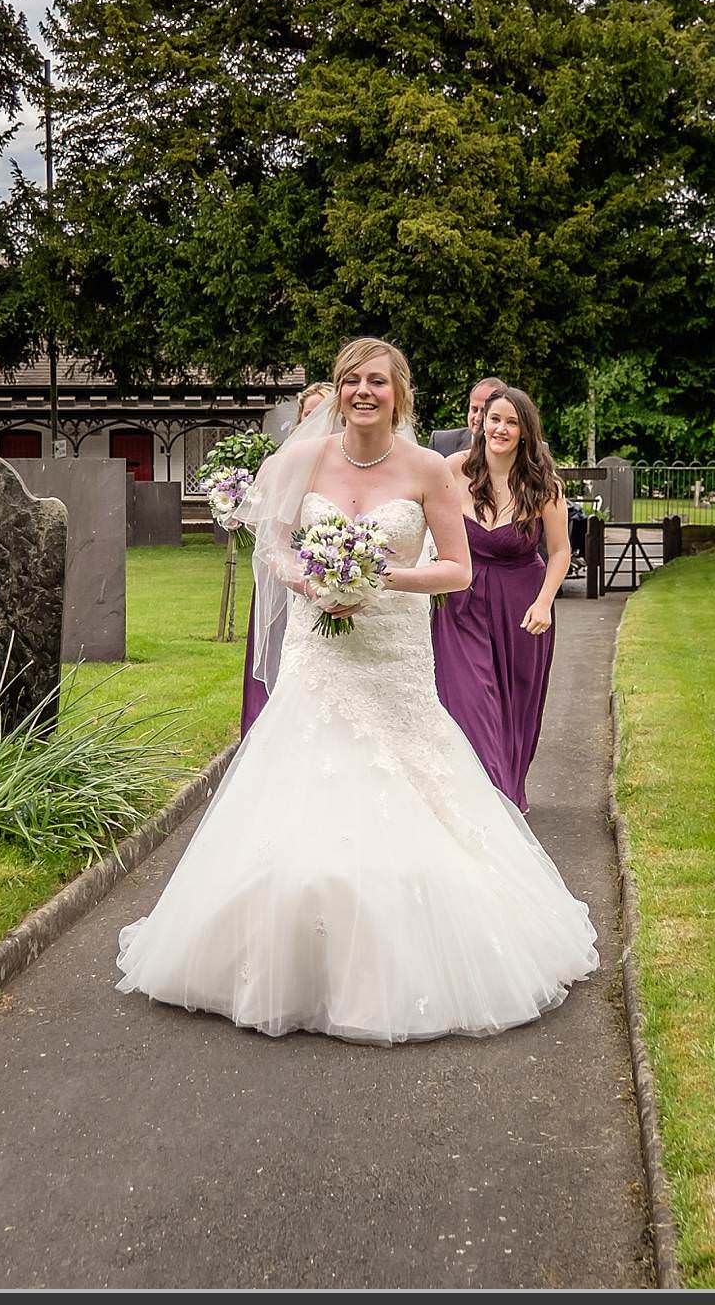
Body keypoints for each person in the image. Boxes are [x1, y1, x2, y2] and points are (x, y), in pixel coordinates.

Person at [118, 338, 598, 1044]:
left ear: (399, 393)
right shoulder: (301, 461)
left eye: (377, 381)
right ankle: (285, 954)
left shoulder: (429, 470)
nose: (362, 391)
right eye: (351, 381)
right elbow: (274, 542)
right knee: (304, 782)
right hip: (319, 652)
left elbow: (458, 571)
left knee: (416, 792)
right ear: (338, 391)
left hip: (394, 655)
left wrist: (377, 577)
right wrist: (310, 577)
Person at [432, 385, 572, 811]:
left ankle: (507, 791)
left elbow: (561, 550)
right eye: (495, 419)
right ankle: (483, 802)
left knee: (516, 705)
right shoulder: (452, 469)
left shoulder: (545, 486)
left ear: (525, 431)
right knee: (471, 699)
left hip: (522, 605)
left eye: (512, 422)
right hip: (461, 603)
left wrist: (545, 602)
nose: (501, 428)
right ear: (481, 422)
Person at [240, 382, 333, 735]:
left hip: (333, 571)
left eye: (324, 413)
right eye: (310, 414)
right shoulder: (282, 463)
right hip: (289, 573)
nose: (317, 420)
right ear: (300, 420)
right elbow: (264, 519)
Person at [427, 375, 502, 459]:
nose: (477, 418)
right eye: (474, 409)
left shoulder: (509, 448)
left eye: (484, 411)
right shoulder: (440, 443)